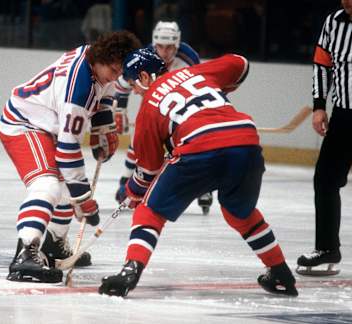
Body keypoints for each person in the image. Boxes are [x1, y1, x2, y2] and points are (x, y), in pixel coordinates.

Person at [98, 48, 298, 297]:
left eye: (133, 83)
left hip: (200, 147)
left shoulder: (149, 106)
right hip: (246, 140)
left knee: (149, 211)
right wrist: (218, 88)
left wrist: (131, 192)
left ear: (144, 76)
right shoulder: (197, 72)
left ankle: (130, 271)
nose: (136, 91)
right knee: (240, 214)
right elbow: (241, 63)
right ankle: (280, 271)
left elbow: (148, 168)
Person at [0, 31, 141, 283]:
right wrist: (84, 199)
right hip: (25, 124)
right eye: (114, 69)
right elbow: (67, 150)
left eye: (120, 71)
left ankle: (53, 243)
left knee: (65, 186)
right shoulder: (79, 89)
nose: (116, 76)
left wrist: (102, 127)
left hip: (47, 123)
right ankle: (25, 253)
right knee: (48, 185)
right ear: (103, 58)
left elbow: (105, 91)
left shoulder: (96, 60)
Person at [114, 21, 213, 215]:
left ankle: (205, 187)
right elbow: (123, 83)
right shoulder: (144, 56)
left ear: (177, 45)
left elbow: (200, 87)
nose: (164, 52)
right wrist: (119, 111)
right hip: (153, 100)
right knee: (140, 137)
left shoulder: (189, 58)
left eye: (169, 47)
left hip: (180, 105)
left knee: (192, 142)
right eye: (160, 46)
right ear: (153, 44)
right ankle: (126, 181)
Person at [296, 1, 352, 276]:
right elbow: (322, 65)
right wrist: (319, 106)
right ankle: (328, 247)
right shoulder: (334, 22)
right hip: (344, 115)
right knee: (326, 180)